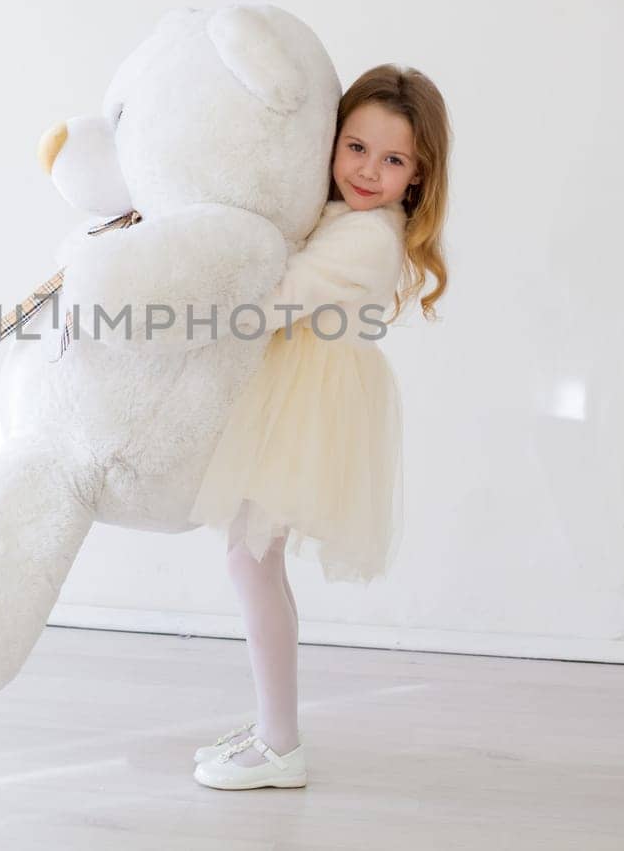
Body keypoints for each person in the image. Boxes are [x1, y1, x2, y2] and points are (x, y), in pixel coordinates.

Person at [186, 63, 452, 790]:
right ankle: (274, 726)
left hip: (309, 398)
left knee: (250, 560)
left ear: (418, 176)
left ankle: (280, 740)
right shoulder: (342, 214)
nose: (368, 169)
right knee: (254, 561)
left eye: (393, 159)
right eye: (356, 147)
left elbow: (279, 296)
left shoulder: (370, 237)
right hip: (294, 384)